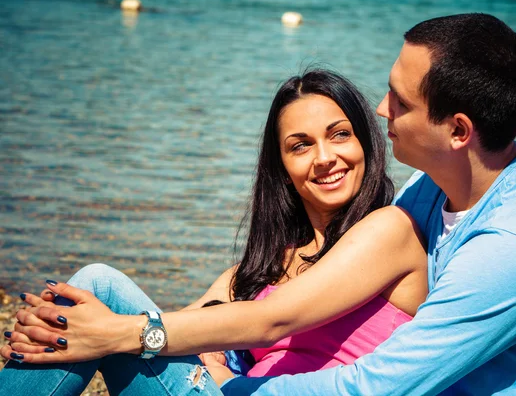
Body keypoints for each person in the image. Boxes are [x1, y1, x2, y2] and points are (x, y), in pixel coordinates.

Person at [4, 12, 516, 395]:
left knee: (101, 291)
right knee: (89, 298)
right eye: (299, 145)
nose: (383, 110)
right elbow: (231, 306)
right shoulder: (441, 192)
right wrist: (115, 330)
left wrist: (127, 339)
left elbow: (372, 386)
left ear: (459, 131)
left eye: (398, 100)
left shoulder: (509, 252)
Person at [0, 69, 427, 394]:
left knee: (101, 284)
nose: (324, 158)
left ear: (366, 144)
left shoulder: (389, 229)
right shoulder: (262, 269)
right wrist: (49, 332)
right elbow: (182, 324)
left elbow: (271, 321)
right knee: (84, 307)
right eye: (300, 145)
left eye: (340, 135)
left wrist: (110, 333)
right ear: (281, 167)